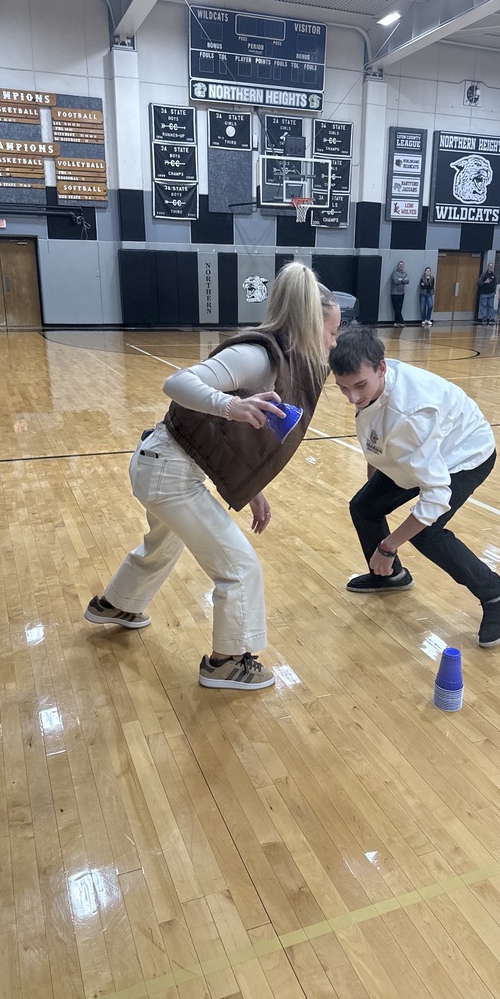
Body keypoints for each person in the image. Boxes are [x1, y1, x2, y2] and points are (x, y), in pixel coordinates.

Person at [84, 263, 341, 690]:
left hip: (162, 467)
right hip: (168, 473)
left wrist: (252, 489)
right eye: (331, 332)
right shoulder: (257, 355)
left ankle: (117, 604)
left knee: (162, 546)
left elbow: (227, 441)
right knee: (239, 567)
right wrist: (231, 406)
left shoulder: (283, 361)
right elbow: (176, 383)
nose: (333, 341)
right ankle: (227, 662)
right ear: (311, 326)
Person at [329, 326, 500, 649]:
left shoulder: (409, 416)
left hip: (463, 455)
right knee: (364, 506)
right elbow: (376, 445)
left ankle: (496, 593)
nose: (353, 398)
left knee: (427, 533)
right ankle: (390, 576)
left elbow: (436, 496)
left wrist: (387, 547)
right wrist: (374, 492)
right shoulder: (374, 385)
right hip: (421, 450)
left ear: (382, 368)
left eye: (359, 386)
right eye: (343, 388)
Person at [390, 261, 409, 325]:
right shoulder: (394, 273)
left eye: (402, 265)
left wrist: (400, 279)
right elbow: (396, 281)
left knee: (399, 308)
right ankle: (401, 321)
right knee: (397, 309)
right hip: (395, 294)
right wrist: (403, 280)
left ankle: (396, 322)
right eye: (400, 265)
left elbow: (407, 281)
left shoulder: (405, 273)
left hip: (402, 293)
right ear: (398, 266)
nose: (401, 266)